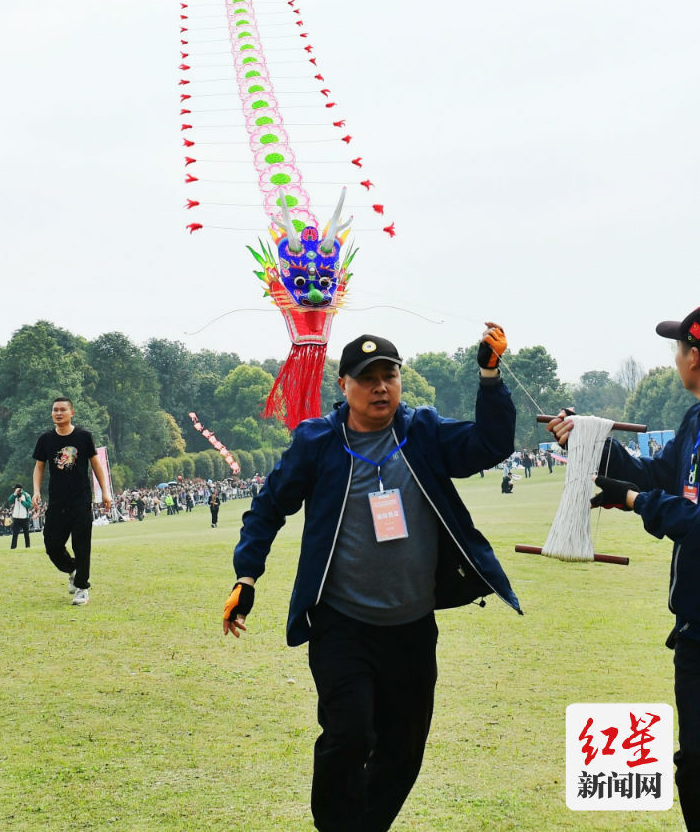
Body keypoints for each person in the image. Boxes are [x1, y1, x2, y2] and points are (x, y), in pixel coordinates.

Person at [222, 328, 521, 832]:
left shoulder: (422, 432)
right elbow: (269, 506)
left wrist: (490, 378)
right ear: (344, 385)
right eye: (368, 379)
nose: (381, 387)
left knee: (403, 752)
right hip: (343, 626)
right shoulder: (317, 442)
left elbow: (489, 444)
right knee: (350, 735)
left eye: (390, 376)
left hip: (411, 627)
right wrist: (246, 576)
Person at [547, 305, 700, 832]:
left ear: (694, 357)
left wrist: (635, 501)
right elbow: (658, 474)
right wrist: (593, 444)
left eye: (677, 348)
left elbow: (692, 517)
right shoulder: (695, 419)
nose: (675, 357)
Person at [32, 396, 111, 606]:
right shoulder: (45, 440)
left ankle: (82, 588)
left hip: (81, 500)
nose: (58, 413)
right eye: (55, 410)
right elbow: (39, 466)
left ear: (71, 413)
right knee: (52, 543)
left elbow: (96, 465)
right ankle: (73, 569)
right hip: (57, 501)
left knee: (81, 544)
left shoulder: (84, 437)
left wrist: (105, 492)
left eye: (63, 410)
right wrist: (36, 491)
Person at [7, 484, 33, 548]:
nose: (14, 490)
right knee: (15, 533)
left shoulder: (26, 495)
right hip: (16, 517)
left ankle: (27, 546)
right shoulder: (15, 495)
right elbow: (10, 500)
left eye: (15, 489)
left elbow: (29, 505)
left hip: (24, 517)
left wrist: (22, 501)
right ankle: (13, 547)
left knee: (26, 533)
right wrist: (14, 493)